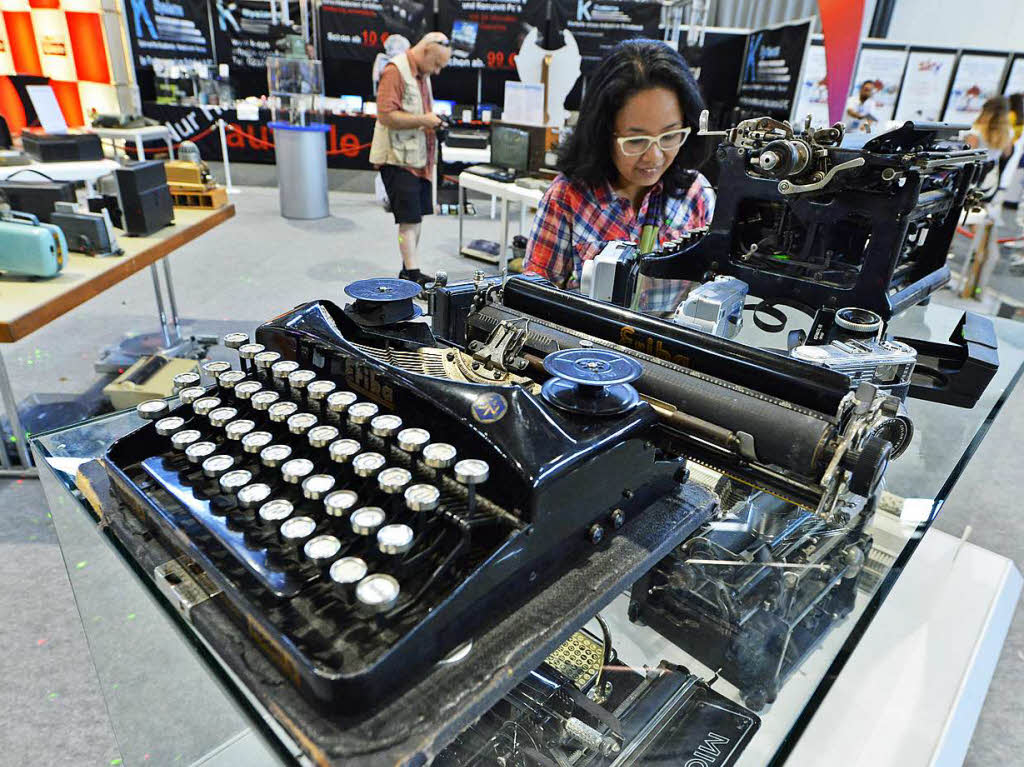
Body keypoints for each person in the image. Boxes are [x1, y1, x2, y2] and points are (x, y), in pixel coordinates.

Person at [523, 39, 715, 314]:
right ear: (603, 133)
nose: (654, 157)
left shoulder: (696, 194)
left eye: (670, 136)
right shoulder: (567, 198)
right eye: (636, 140)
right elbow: (533, 299)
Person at [369, 32, 452, 287]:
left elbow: (417, 112)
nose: (437, 72)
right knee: (409, 219)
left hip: (419, 159)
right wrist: (424, 121)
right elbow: (385, 115)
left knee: (416, 217)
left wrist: (433, 122)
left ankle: (409, 270)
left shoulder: (422, 75)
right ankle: (412, 274)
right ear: (426, 51)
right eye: (437, 64)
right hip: (397, 159)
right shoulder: (395, 71)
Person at [964, 96, 1014, 197]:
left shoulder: (976, 129)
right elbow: (1007, 153)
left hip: (973, 172)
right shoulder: (1008, 132)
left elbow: (969, 154)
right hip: (991, 172)